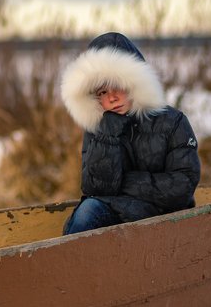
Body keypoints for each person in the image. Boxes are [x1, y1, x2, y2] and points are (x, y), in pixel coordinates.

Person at [59, 32, 201, 234]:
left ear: (135, 82)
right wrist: (108, 134)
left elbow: (182, 186)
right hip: (119, 212)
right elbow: (95, 188)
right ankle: (67, 263)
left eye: (118, 85)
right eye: (102, 92)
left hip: (165, 216)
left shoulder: (172, 122)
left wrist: (125, 181)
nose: (113, 98)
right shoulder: (99, 128)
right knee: (87, 211)